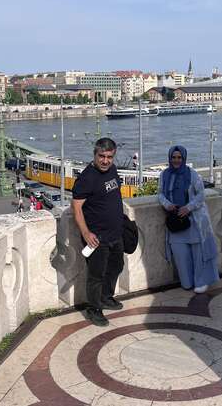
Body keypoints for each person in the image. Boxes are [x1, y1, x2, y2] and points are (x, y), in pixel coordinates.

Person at [72, 137, 124, 327]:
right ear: (95, 155)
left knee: (117, 266)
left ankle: (105, 297)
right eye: (101, 156)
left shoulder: (112, 170)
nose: (105, 161)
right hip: (96, 238)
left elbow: (114, 196)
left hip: (115, 234)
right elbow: (76, 208)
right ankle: (94, 308)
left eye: (109, 157)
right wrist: (86, 233)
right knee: (96, 275)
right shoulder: (87, 178)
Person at [158, 145, 219, 294]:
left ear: (184, 158)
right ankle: (187, 282)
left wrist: (188, 208)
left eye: (179, 157)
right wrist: (168, 204)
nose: (176, 160)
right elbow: (160, 194)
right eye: (174, 157)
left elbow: (201, 195)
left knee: (199, 254)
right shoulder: (164, 175)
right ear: (170, 158)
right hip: (175, 221)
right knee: (180, 255)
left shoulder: (192, 174)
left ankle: (201, 281)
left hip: (194, 221)